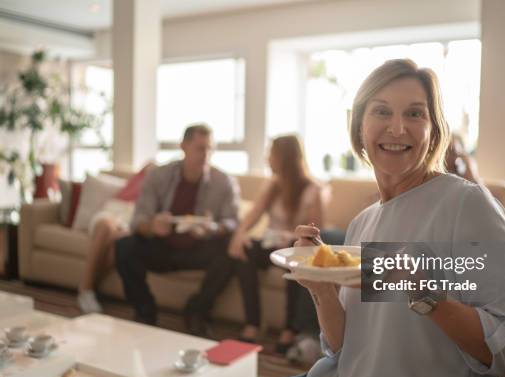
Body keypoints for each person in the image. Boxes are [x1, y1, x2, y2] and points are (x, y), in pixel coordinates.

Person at [183, 59, 505, 377]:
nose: (396, 128)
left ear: (434, 131)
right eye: (381, 112)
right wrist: (321, 288)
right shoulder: (363, 222)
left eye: (414, 114)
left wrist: (425, 294)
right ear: (359, 126)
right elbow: (342, 346)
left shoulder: (468, 204)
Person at [115, 124, 240, 333]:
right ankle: (145, 311)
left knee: (230, 250)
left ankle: (197, 309)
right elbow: (138, 221)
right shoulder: (158, 175)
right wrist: (153, 226)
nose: (206, 155)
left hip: (199, 248)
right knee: (124, 246)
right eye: (200, 148)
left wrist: (213, 228)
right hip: (162, 247)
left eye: (210, 149)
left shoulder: (225, 182)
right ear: (183, 146)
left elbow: (233, 221)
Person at [225, 134, 324, 351]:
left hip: (294, 246)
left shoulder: (312, 189)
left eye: (271, 153)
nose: (267, 158)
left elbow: (316, 231)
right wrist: (239, 235)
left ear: (284, 158)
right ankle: (253, 323)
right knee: (245, 253)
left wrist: (292, 238)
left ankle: (289, 329)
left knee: (295, 262)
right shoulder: (272, 186)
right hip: (271, 244)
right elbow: (253, 215)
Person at [77, 206, 130, 313]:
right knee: (105, 226)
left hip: (127, 226)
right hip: (108, 216)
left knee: (115, 247)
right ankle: (85, 289)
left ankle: (89, 289)